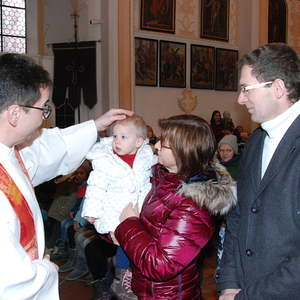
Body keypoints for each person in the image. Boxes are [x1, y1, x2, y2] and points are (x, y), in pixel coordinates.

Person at [0, 52, 132, 299]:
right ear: (15, 114)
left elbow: (47, 148)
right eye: (43, 108)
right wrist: (45, 268)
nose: (44, 117)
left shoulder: (10, 151)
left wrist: (95, 126)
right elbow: (9, 281)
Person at [111, 114, 237, 299]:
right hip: (144, 287)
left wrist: (128, 225)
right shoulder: (161, 177)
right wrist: (115, 231)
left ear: (183, 151)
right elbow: (144, 227)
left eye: (163, 143)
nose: (156, 146)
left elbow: (162, 265)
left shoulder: (195, 204)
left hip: (167, 294)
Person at [216, 43, 300, 300]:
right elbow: (239, 215)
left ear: (277, 88)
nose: (240, 99)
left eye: (246, 89)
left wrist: (248, 297)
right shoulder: (256, 141)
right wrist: (229, 282)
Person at [82, 114, 157, 234]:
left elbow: (157, 170)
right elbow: (96, 187)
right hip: (115, 211)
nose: (117, 141)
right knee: (120, 239)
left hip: (142, 210)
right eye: (115, 136)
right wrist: (91, 211)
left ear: (138, 141)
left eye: (123, 137)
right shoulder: (105, 160)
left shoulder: (146, 156)